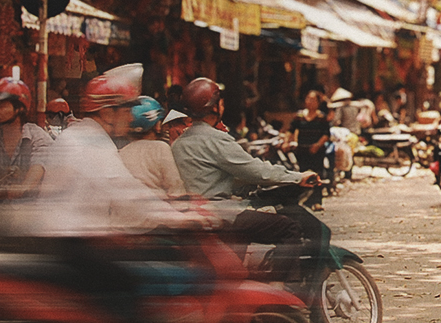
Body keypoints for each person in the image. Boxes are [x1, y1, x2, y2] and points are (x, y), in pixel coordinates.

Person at [0, 65, 188, 323]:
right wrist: (174, 216)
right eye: (125, 109)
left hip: (70, 234)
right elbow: (125, 193)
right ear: (108, 112)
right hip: (71, 238)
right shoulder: (93, 144)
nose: (130, 116)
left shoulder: (84, 136)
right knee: (131, 286)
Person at [171, 77, 310, 272]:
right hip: (222, 214)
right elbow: (256, 171)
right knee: (290, 229)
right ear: (214, 107)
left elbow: (214, 175)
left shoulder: (179, 143)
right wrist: (298, 177)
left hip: (197, 215)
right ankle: (282, 291)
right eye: (220, 101)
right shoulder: (216, 139)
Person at [121, 98, 187, 198]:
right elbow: (175, 187)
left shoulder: (122, 152)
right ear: (157, 125)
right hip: (159, 208)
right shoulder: (160, 148)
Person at [288, 89, 333, 179]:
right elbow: (291, 130)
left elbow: (326, 134)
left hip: (317, 151)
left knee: (317, 175)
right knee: (302, 175)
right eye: (308, 99)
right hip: (302, 151)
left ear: (318, 102)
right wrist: (287, 142)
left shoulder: (322, 117)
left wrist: (317, 145)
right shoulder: (299, 116)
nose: (310, 102)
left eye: (313, 100)